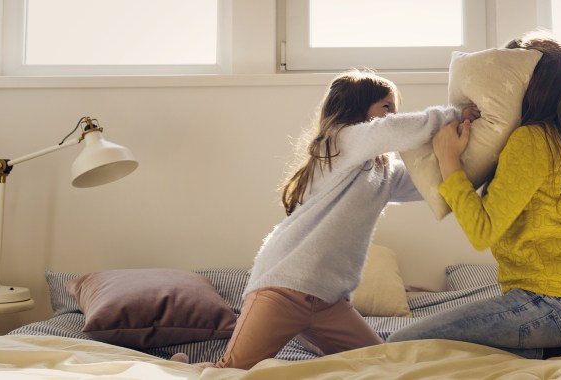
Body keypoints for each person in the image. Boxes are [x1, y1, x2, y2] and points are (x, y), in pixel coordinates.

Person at [173, 68, 480, 370]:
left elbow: (432, 183)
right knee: (233, 371)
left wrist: (468, 156)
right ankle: (181, 368)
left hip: (329, 303)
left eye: (395, 109)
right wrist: (453, 115)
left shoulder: (382, 171)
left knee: (380, 365)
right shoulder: (339, 142)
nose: (392, 116)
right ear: (356, 108)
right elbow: (390, 131)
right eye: (386, 107)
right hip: (283, 288)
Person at [386, 31, 561, 360]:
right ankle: (544, 352)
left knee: (403, 343)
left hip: (550, 306)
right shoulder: (548, 138)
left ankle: (551, 347)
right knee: (466, 354)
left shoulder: (530, 141)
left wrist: (449, 161)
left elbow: (482, 232)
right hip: (558, 305)